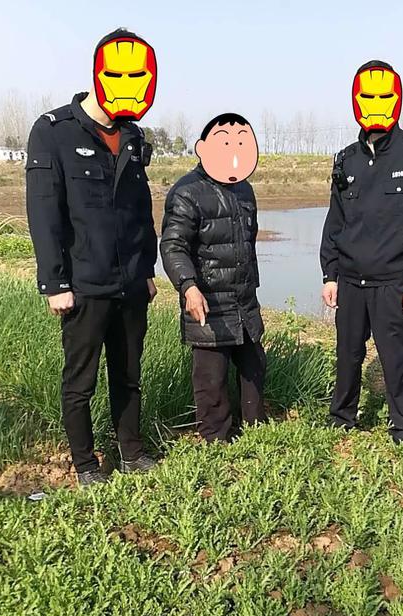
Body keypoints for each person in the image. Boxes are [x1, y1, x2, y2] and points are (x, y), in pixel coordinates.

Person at [26, 28, 159, 488]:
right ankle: (85, 465)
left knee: (128, 374)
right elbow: (44, 212)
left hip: (130, 282)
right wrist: (54, 283)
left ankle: (132, 453)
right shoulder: (53, 131)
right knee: (80, 381)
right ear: (99, 74)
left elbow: (140, 209)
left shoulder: (132, 134)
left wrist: (147, 269)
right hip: (83, 284)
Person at [320, 60, 403, 445]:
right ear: (356, 101)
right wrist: (329, 274)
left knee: (397, 357)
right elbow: (335, 221)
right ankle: (342, 417)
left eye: (384, 97)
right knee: (347, 354)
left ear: (396, 100)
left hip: (394, 282)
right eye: (367, 97)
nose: (375, 105)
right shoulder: (345, 159)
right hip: (350, 280)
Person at [160, 113, 267, 443]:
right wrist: (188, 287)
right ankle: (215, 440)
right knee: (211, 378)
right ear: (203, 148)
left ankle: (256, 432)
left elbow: (248, 240)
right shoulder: (186, 192)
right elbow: (173, 246)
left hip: (243, 299)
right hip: (208, 300)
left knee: (254, 367)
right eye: (224, 143)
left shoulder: (244, 189)